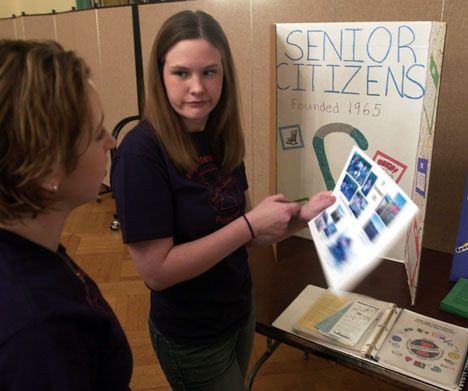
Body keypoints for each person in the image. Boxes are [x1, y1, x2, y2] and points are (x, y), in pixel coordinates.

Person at [110, 10, 334, 391]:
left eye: (209, 72)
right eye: (181, 73)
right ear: (160, 75)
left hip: (239, 311)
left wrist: (296, 219)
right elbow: (157, 273)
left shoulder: (221, 133)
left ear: (224, 74)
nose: (197, 87)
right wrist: (250, 224)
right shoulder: (140, 153)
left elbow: (243, 230)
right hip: (192, 335)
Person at [0, 40, 133, 390]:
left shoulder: (28, 249)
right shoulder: (39, 333)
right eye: (96, 133)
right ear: (45, 169)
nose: (111, 142)